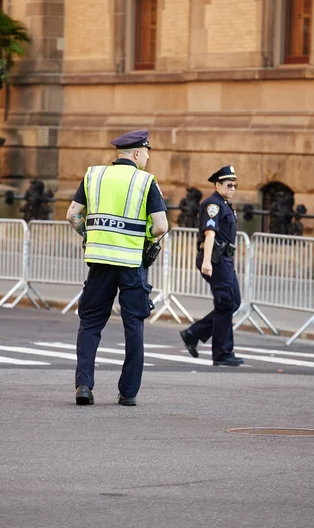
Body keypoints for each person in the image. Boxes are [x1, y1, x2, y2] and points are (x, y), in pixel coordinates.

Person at [66, 130, 168, 406]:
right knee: (133, 325)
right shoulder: (145, 182)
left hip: (99, 261)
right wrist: (146, 238)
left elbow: (72, 214)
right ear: (136, 154)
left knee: (90, 323)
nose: (147, 156)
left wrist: (88, 235)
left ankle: (84, 386)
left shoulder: (94, 176)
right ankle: (128, 392)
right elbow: (161, 226)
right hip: (131, 264)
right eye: (146, 152)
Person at [180, 166, 244, 367]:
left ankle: (195, 333)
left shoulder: (225, 204)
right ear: (217, 185)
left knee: (234, 302)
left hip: (224, 260)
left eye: (234, 185)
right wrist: (207, 261)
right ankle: (222, 353)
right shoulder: (212, 205)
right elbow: (210, 234)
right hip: (215, 259)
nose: (232, 188)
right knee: (225, 303)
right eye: (228, 184)